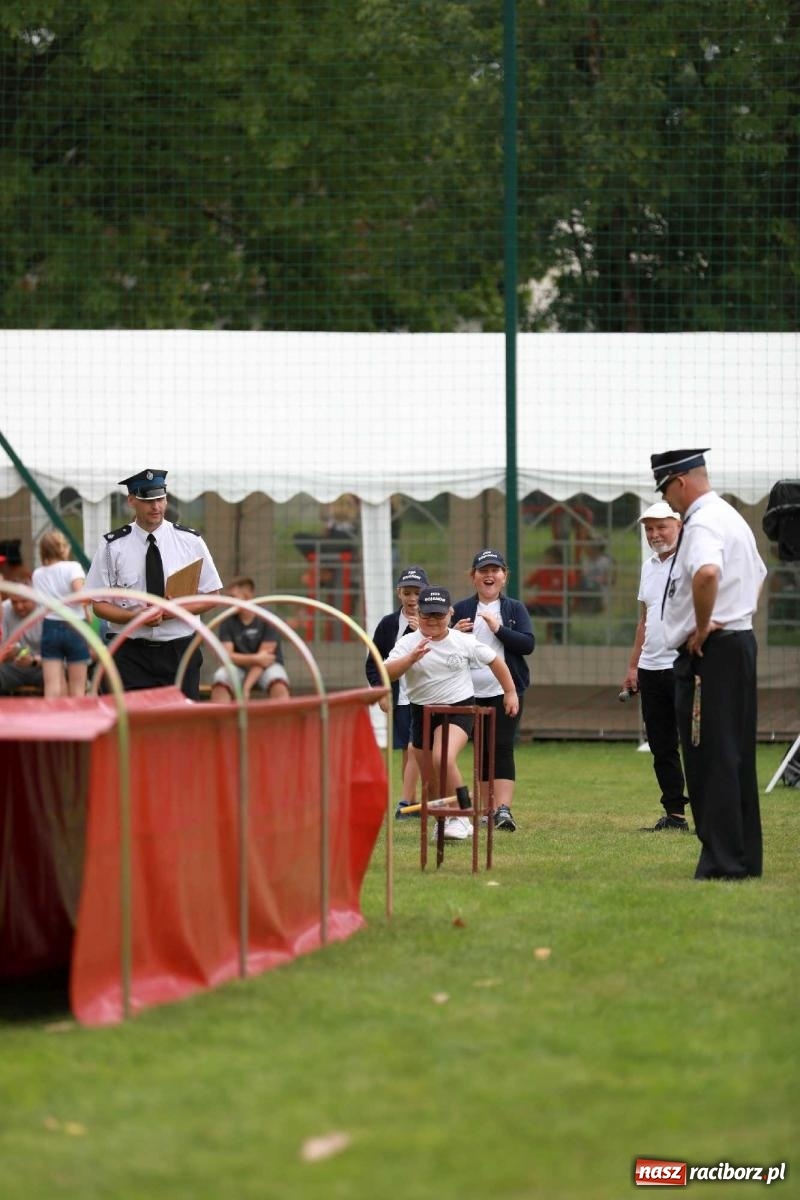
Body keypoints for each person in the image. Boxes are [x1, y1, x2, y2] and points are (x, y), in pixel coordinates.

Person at [652, 448, 767, 880]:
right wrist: (737, 615)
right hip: (736, 644)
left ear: (680, 481)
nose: (668, 500)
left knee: (709, 756)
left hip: (711, 653)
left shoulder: (701, 522)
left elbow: (706, 574)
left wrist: (702, 627)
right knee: (734, 755)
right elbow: (758, 574)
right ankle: (742, 857)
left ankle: (721, 863)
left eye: (666, 490)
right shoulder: (731, 516)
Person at [384, 586, 519, 842]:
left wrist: (510, 692)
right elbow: (387, 672)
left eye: (439, 615)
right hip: (421, 711)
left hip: (458, 709)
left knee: (442, 757)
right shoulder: (408, 643)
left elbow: (495, 661)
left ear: (450, 614)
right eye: (427, 616)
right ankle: (443, 821)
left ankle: (460, 814)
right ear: (418, 615)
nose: (433, 621)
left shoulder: (462, 641)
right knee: (431, 779)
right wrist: (410, 659)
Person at [85, 468, 223, 699]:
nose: (156, 507)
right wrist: (135, 617)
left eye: (160, 499)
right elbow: (99, 604)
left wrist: (172, 611)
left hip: (179, 650)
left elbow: (212, 594)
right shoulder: (112, 546)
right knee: (130, 724)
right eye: (147, 501)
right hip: (129, 652)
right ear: (131, 501)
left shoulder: (190, 541)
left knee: (180, 724)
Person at [452, 549, 534, 832]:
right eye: (483, 571)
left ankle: (503, 809)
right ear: (473, 577)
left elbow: (527, 645)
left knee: (501, 748)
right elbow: (443, 644)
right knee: (481, 751)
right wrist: (455, 633)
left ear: (504, 576)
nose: (489, 575)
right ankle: (486, 809)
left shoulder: (514, 609)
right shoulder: (461, 609)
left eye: (495, 570)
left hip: (506, 690)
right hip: (467, 692)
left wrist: (499, 630)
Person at [621, 501, 690, 832]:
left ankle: (709, 812)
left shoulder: (691, 559)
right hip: (650, 668)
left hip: (684, 664)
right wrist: (633, 666)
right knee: (662, 745)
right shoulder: (648, 566)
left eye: (661, 526)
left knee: (696, 743)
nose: (654, 534)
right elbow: (644, 621)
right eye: (649, 528)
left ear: (678, 525)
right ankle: (675, 815)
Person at [365, 565, 429, 819]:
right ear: (398, 594)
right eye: (408, 593)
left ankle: (414, 800)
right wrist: (381, 691)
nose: (413, 599)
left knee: (421, 747)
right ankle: (409, 801)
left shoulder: (435, 620)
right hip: (400, 696)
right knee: (409, 747)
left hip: (428, 692)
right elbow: (374, 662)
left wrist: (420, 632)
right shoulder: (388, 624)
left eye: (418, 593)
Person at [210, 576, 291, 702]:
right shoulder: (227, 620)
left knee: (278, 681)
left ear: (247, 596)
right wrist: (256, 658)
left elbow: (265, 661)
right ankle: (220, 720)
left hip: (265, 668)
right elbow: (226, 657)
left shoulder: (267, 617)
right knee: (221, 679)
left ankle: (283, 720)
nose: (229, 602)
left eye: (233, 597)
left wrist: (246, 688)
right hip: (238, 667)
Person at [31, 531, 91, 697]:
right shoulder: (73, 567)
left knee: (52, 684)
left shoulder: (37, 573)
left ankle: (53, 720)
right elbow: (82, 596)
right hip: (75, 626)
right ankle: (78, 721)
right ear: (62, 548)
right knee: (78, 687)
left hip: (50, 626)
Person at [523, 544, 575, 643]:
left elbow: (571, 591)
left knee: (559, 616)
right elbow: (526, 584)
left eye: (550, 558)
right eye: (547, 557)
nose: (547, 560)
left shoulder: (566, 572)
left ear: (558, 559)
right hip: (540, 604)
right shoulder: (542, 571)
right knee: (520, 609)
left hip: (557, 606)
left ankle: (559, 640)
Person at [0, 589, 44, 695]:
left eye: (24, 601)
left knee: (57, 671)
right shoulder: (4, 609)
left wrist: (34, 661)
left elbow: (59, 656)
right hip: (11, 668)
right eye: (14, 602)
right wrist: (7, 654)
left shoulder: (46, 611)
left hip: (41, 667)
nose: (19, 606)